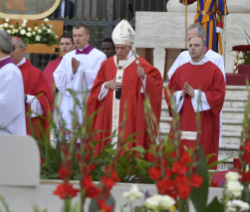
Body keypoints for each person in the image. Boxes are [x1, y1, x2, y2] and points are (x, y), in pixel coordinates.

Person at [86, 20, 163, 154]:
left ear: (130, 47)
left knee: (128, 142)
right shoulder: (107, 64)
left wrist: (145, 77)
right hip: (109, 113)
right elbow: (96, 87)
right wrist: (106, 85)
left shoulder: (141, 64)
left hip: (131, 114)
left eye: (123, 48)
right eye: (117, 48)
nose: (119, 51)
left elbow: (156, 84)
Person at [164, 36, 225, 166]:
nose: (192, 48)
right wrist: (180, 94)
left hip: (203, 122)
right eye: (190, 45)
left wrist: (196, 94)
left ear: (204, 49)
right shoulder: (180, 70)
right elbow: (168, 91)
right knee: (180, 157)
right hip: (182, 120)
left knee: (200, 158)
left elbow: (219, 95)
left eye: (196, 45)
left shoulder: (214, 71)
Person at [53, 24, 106, 139]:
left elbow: (99, 78)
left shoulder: (99, 56)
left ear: (88, 36)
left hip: (87, 100)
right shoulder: (68, 57)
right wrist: (71, 73)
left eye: (80, 35)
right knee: (67, 138)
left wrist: (79, 71)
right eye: (74, 36)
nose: (76, 38)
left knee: (84, 137)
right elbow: (58, 76)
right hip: (69, 101)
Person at [11, 36, 53, 136]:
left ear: (22, 50)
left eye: (13, 48)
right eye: (6, 48)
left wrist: (26, 98)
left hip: (25, 125)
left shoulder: (35, 74)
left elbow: (45, 102)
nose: (9, 52)